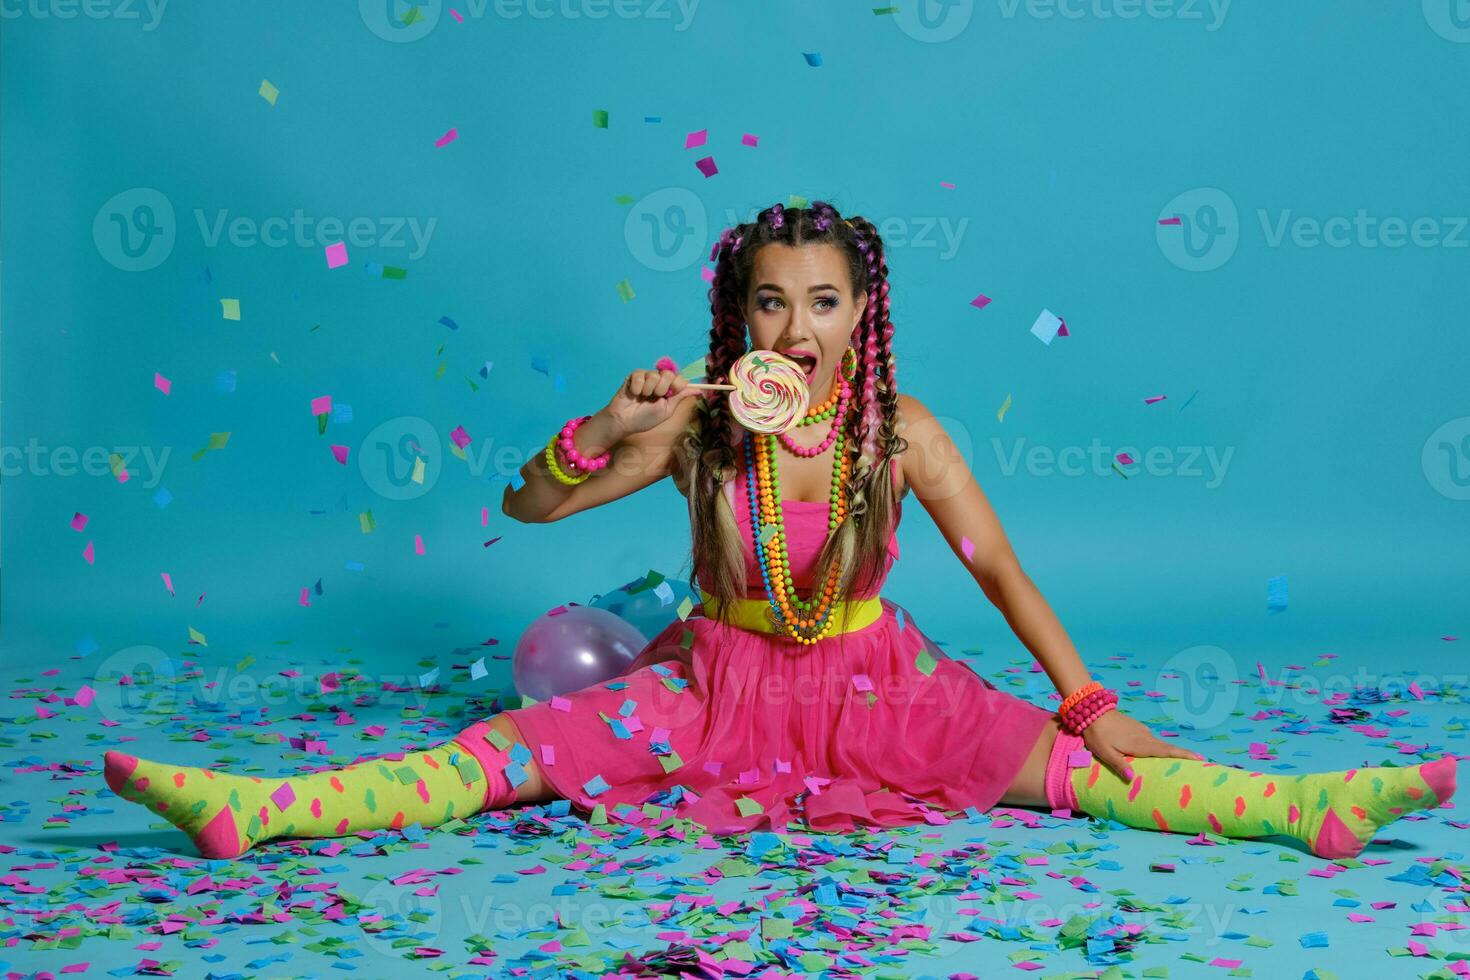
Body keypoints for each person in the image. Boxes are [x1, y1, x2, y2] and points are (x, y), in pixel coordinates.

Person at [102, 201, 1456, 860]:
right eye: (765, 305)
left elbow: (998, 569)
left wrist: (1088, 700)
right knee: (502, 754)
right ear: (732, 323)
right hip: (710, 684)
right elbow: (528, 504)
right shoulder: (699, 427)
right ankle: (263, 810)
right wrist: (599, 424)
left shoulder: (900, 433)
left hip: (883, 687)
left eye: (818, 302)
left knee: (1071, 774)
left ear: (861, 314)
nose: (790, 329)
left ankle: (1300, 808)